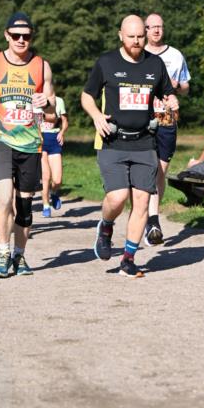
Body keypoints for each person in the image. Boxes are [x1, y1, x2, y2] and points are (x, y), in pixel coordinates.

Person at [81, 14, 178, 278]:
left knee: (142, 202)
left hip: (145, 142)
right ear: (120, 36)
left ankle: (128, 258)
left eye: (140, 37)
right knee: (117, 197)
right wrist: (97, 116)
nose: (136, 42)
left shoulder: (155, 64)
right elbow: (87, 95)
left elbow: (167, 93)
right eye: (131, 37)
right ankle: (106, 225)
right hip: (113, 141)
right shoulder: (106, 62)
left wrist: (171, 102)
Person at [0, 13, 55, 277]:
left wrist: (46, 103)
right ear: (6, 35)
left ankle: (19, 255)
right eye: (16, 35)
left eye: (26, 36)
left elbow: (52, 113)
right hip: (1, 140)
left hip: (30, 144)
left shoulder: (42, 67)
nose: (21, 40)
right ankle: (3, 252)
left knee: (25, 207)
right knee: (4, 198)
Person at [143, 13, 191, 245]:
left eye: (160, 27)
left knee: (160, 171)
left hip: (167, 119)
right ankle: (151, 220)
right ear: (145, 29)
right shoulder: (137, 53)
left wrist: (177, 87)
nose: (156, 31)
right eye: (152, 27)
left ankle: (151, 215)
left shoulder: (175, 55)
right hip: (142, 119)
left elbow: (186, 86)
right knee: (149, 170)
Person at [36, 95, 68, 218]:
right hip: (42, 139)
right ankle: (46, 205)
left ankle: (54, 193)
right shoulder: (37, 100)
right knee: (45, 177)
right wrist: (39, 136)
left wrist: (62, 132)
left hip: (55, 140)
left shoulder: (59, 101)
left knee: (57, 179)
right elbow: (36, 123)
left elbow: (64, 121)